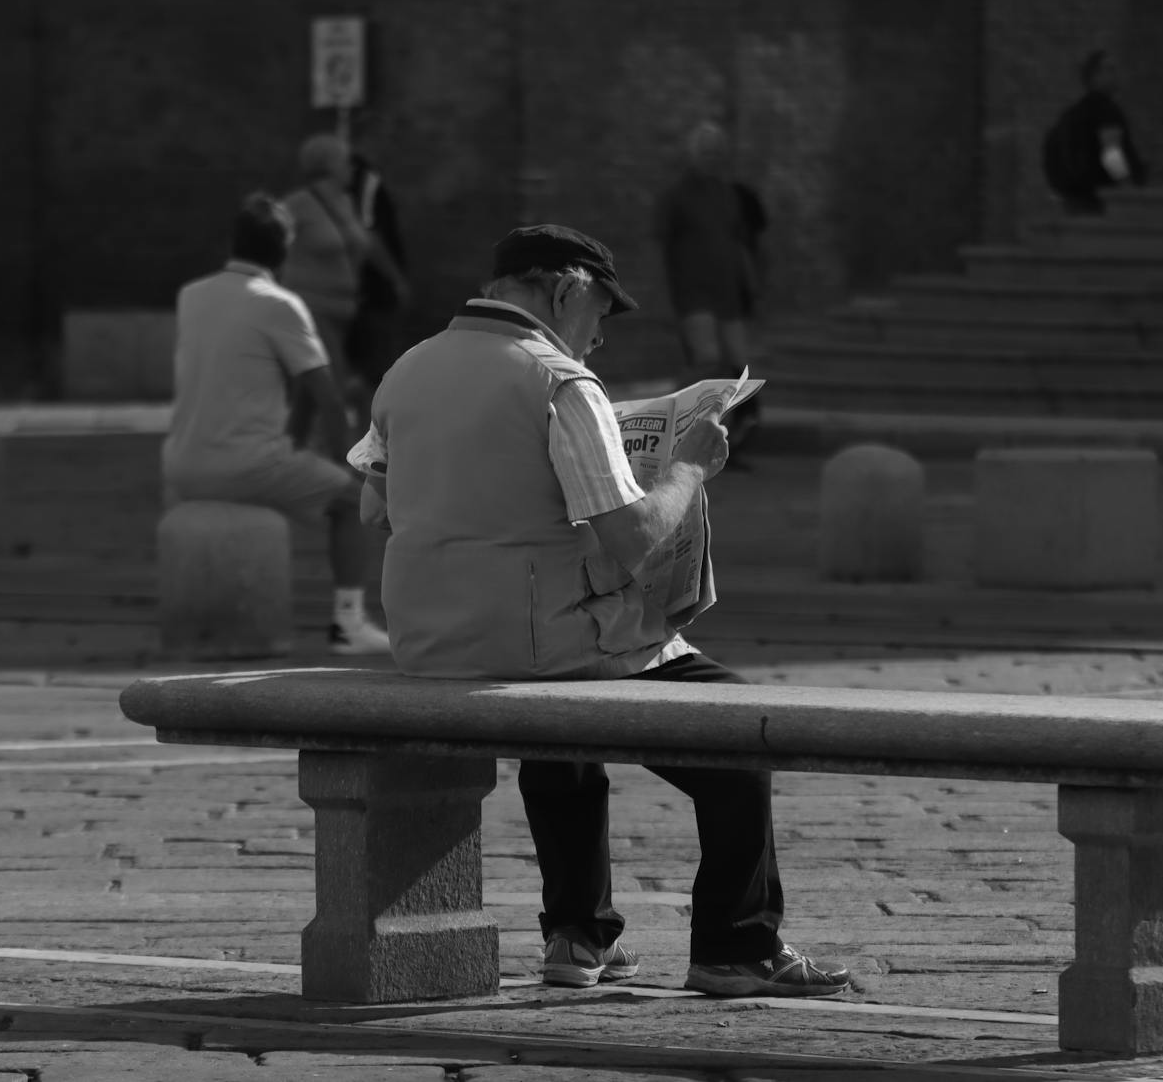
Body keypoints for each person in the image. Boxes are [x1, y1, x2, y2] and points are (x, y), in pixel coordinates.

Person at [348, 223, 851, 999]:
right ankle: (737, 943)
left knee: (563, 725)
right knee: (744, 733)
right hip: (542, 641)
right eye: (602, 314)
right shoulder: (557, 382)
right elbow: (634, 543)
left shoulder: (406, 371)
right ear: (567, 289)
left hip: (430, 641)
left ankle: (578, 935)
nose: (600, 337)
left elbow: (372, 509)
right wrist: (686, 467)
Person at [162, 192, 391, 654]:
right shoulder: (280, 304)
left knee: (312, 478)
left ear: (234, 243)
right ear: (286, 250)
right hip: (242, 465)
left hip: (181, 463)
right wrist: (353, 465)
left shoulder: (191, 296)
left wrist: (294, 442)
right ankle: (347, 622)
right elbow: (326, 395)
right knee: (350, 501)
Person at [654, 122, 766, 465]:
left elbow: (738, 242)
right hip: (694, 294)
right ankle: (691, 440)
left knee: (739, 367)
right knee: (706, 366)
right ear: (694, 155)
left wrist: (749, 285)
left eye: (717, 153)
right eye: (706, 152)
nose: (712, 159)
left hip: (728, 296)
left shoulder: (727, 194)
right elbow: (662, 243)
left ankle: (730, 439)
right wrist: (667, 294)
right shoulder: (677, 196)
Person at [281, 134, 411, 408]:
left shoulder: (346, 203)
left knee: (316, 394)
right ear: (328, 165)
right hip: (311, 307)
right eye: (345, 162)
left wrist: (394, 278)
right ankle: (334, 448)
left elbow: (367, 242)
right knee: (332, 387)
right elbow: (272, 245)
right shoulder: (296, 205)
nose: (351, 168)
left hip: (345, 310)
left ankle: (301, 445)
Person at [341, 136, 415, 392]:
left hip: (358, 289)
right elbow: (369, 234)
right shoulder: (365, 177)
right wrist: (396, 279)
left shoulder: (347, 180)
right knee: (377, 374)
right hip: (371, 290)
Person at [1042, 48, 1149, 214]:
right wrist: (1127, 187)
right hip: (1102, 200)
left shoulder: (1074, 113)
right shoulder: (1106, 111)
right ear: (1094, 76)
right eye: (1110, 69)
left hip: (1076, 198)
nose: (1116, 75)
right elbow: (1111, 153)